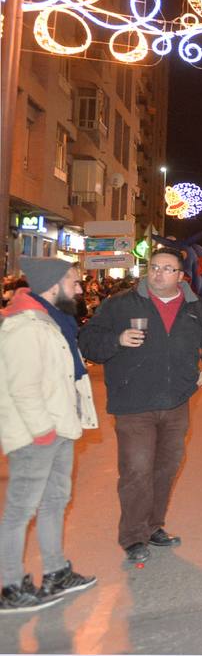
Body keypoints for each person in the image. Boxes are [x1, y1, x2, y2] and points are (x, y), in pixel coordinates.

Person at [78, 248, 202, 563]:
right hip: (133, 403)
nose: (159, 273)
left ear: (180, 276)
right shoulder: (119, 304)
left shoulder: (195, 307)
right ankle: (133, 536)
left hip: (176, 402)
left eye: (167, 269)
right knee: (136, 469)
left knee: (166, 467)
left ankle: (153, 526)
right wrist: (117, 340)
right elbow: (88, 340)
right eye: (155, 267)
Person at [0, 258, 97, 613]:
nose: (81, 288)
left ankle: (55, 571)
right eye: (74, 281)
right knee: (19, 512)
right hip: (36, 433)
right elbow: (22, 388)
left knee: (55, 502)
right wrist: (43, 432)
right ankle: (10, 586)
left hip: (58, 427)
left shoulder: (54, 322)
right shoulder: (25, 326)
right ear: (53, 285)